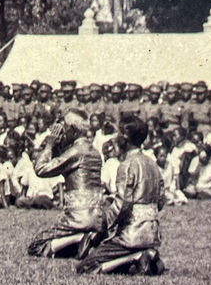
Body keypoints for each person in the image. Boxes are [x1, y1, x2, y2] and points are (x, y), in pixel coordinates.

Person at [77, 117, 165, 275]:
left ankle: (136, 257)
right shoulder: (153, 164)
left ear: (125, 137)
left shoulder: (127, 165)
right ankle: (146, 257)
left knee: (86, 266)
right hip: (152, 235)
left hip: (131, 236)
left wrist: (101, 226)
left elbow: (122, 204)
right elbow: (161, 200)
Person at [27, 109, 106, 258]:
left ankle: (80, 238)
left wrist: (50, 144)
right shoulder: (94, 152)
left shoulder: (75, 152)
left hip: (78, 218)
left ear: (73, 130)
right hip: (97, 218)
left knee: (37, 245)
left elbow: (41, 169)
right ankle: (85, 241)